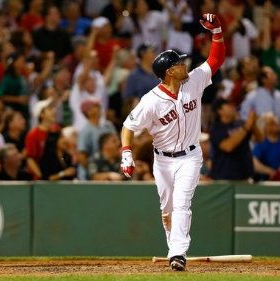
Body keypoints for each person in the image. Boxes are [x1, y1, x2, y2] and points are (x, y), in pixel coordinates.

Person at [120, 13, 225, 271]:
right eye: (179, 63)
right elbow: (128, 126)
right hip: (163, 161)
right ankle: (173, 249)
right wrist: (126, 153)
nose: (184, 65)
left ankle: (178, 253)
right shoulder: (151, 100)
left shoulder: (194, 81)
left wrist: (218, 32)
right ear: (169, 72)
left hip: (190, 156)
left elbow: (216, 59)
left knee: (181, 203)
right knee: (167, 209)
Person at [209, 98, 262, 181]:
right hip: (224, 177)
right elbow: (228, 147)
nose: (233, 107)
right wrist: (247, 126)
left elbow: (259, 139)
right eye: (229, 106)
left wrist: (253, 124)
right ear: (220, 111)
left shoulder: (241, 123)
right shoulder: (216, 128)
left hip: (245, 176)